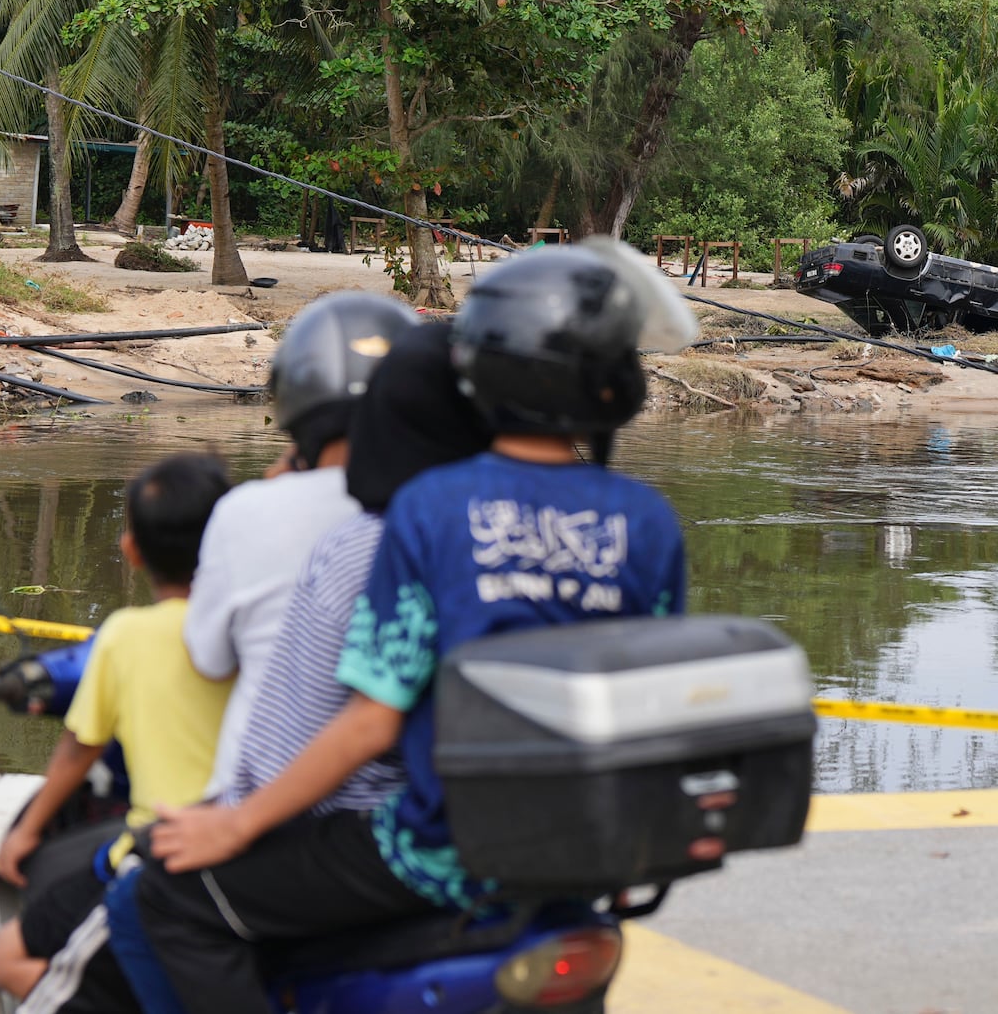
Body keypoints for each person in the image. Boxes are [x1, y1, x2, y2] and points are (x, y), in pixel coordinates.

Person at [130, 240, 698, 1013]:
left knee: (176, 896)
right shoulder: (651, 522)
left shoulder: (430, 508)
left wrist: (236, 824)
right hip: (585, 852)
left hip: (437, 852)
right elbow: (650, 698)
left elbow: (371, 722)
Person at [101, 321, 494, 1014]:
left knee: (152, 894)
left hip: (352, 825)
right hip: (486, 818)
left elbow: (339, 721)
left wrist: (240, 818)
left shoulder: (355, 538)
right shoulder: (490, 520)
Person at [0, 452, 232, 1008]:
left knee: (7, 956)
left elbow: (81, 744)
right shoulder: (258, 625)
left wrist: (26, 832)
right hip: (261, 848)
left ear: (131, 548)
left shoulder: (124, 636)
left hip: (157, 857)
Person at [185, 292, 418, 802]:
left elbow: (209, 658)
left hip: (257, 804)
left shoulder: (247, 509)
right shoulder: (440, 514)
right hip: (410, 808)